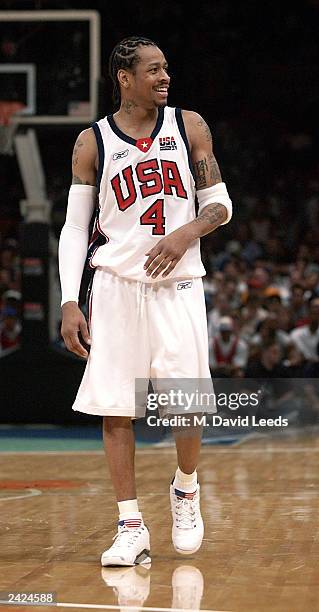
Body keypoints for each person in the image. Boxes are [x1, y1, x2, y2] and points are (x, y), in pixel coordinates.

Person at [58, 36, 232, 566]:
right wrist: (70, 301)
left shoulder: (189, 126)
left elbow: (220, 204)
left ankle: (185, 488)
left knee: (186, 403)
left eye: (166, 68)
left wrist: (186, 234)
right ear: (124, 78)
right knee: (116, 408)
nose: (165, 77)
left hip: (176, 286)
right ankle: (130, 525)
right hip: (114, 289)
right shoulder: (92, 142)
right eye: (153, 70)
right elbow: (74, 228)